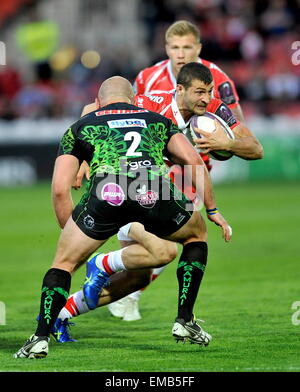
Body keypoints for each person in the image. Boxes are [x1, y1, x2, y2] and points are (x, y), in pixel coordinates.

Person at [14, 76, 232, 359]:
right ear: (133, 98)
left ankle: (39, 339)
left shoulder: (81, 126)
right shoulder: (156, 120)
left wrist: (71, 230)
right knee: (196, 235)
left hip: (108, 189)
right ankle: (184, 320)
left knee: (64, 263)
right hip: (153, 188)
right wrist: (213, 210)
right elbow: (192, 161)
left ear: (98, 102)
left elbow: (59, 189)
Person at [47, 63, 262, 340]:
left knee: (144, 273)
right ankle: (106, 266)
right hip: (125, 184)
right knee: (169, 250)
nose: (205, 98)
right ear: (180, 88)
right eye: (176, 48)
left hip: (171, 189)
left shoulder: (215, 110)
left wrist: (228, 145)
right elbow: (94, 109)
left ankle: (62, 313)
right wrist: (84, 160)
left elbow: (256, 149)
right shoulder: (151, 101)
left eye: (208, 91)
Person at [134, 20, 245, 123]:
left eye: (187, 48)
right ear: (167, 49)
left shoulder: (218, 77)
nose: (180, 55)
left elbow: (237, 123)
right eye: (175, 48)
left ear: (198, 49)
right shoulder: (145, 78)